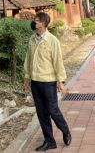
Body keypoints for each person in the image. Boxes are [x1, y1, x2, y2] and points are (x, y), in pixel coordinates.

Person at [23, 12, 71, 151]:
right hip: (35, 82)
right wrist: (27, 77)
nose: (34, 23)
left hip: (48, 81)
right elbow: (28, 59)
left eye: (36, 21)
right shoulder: (32, 39)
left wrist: (60, 81)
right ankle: (50, 141)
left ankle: (65, 130)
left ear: (43, 24)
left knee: (53, 110)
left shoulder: (52, 40)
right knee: (41, 113)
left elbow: (58, 61)